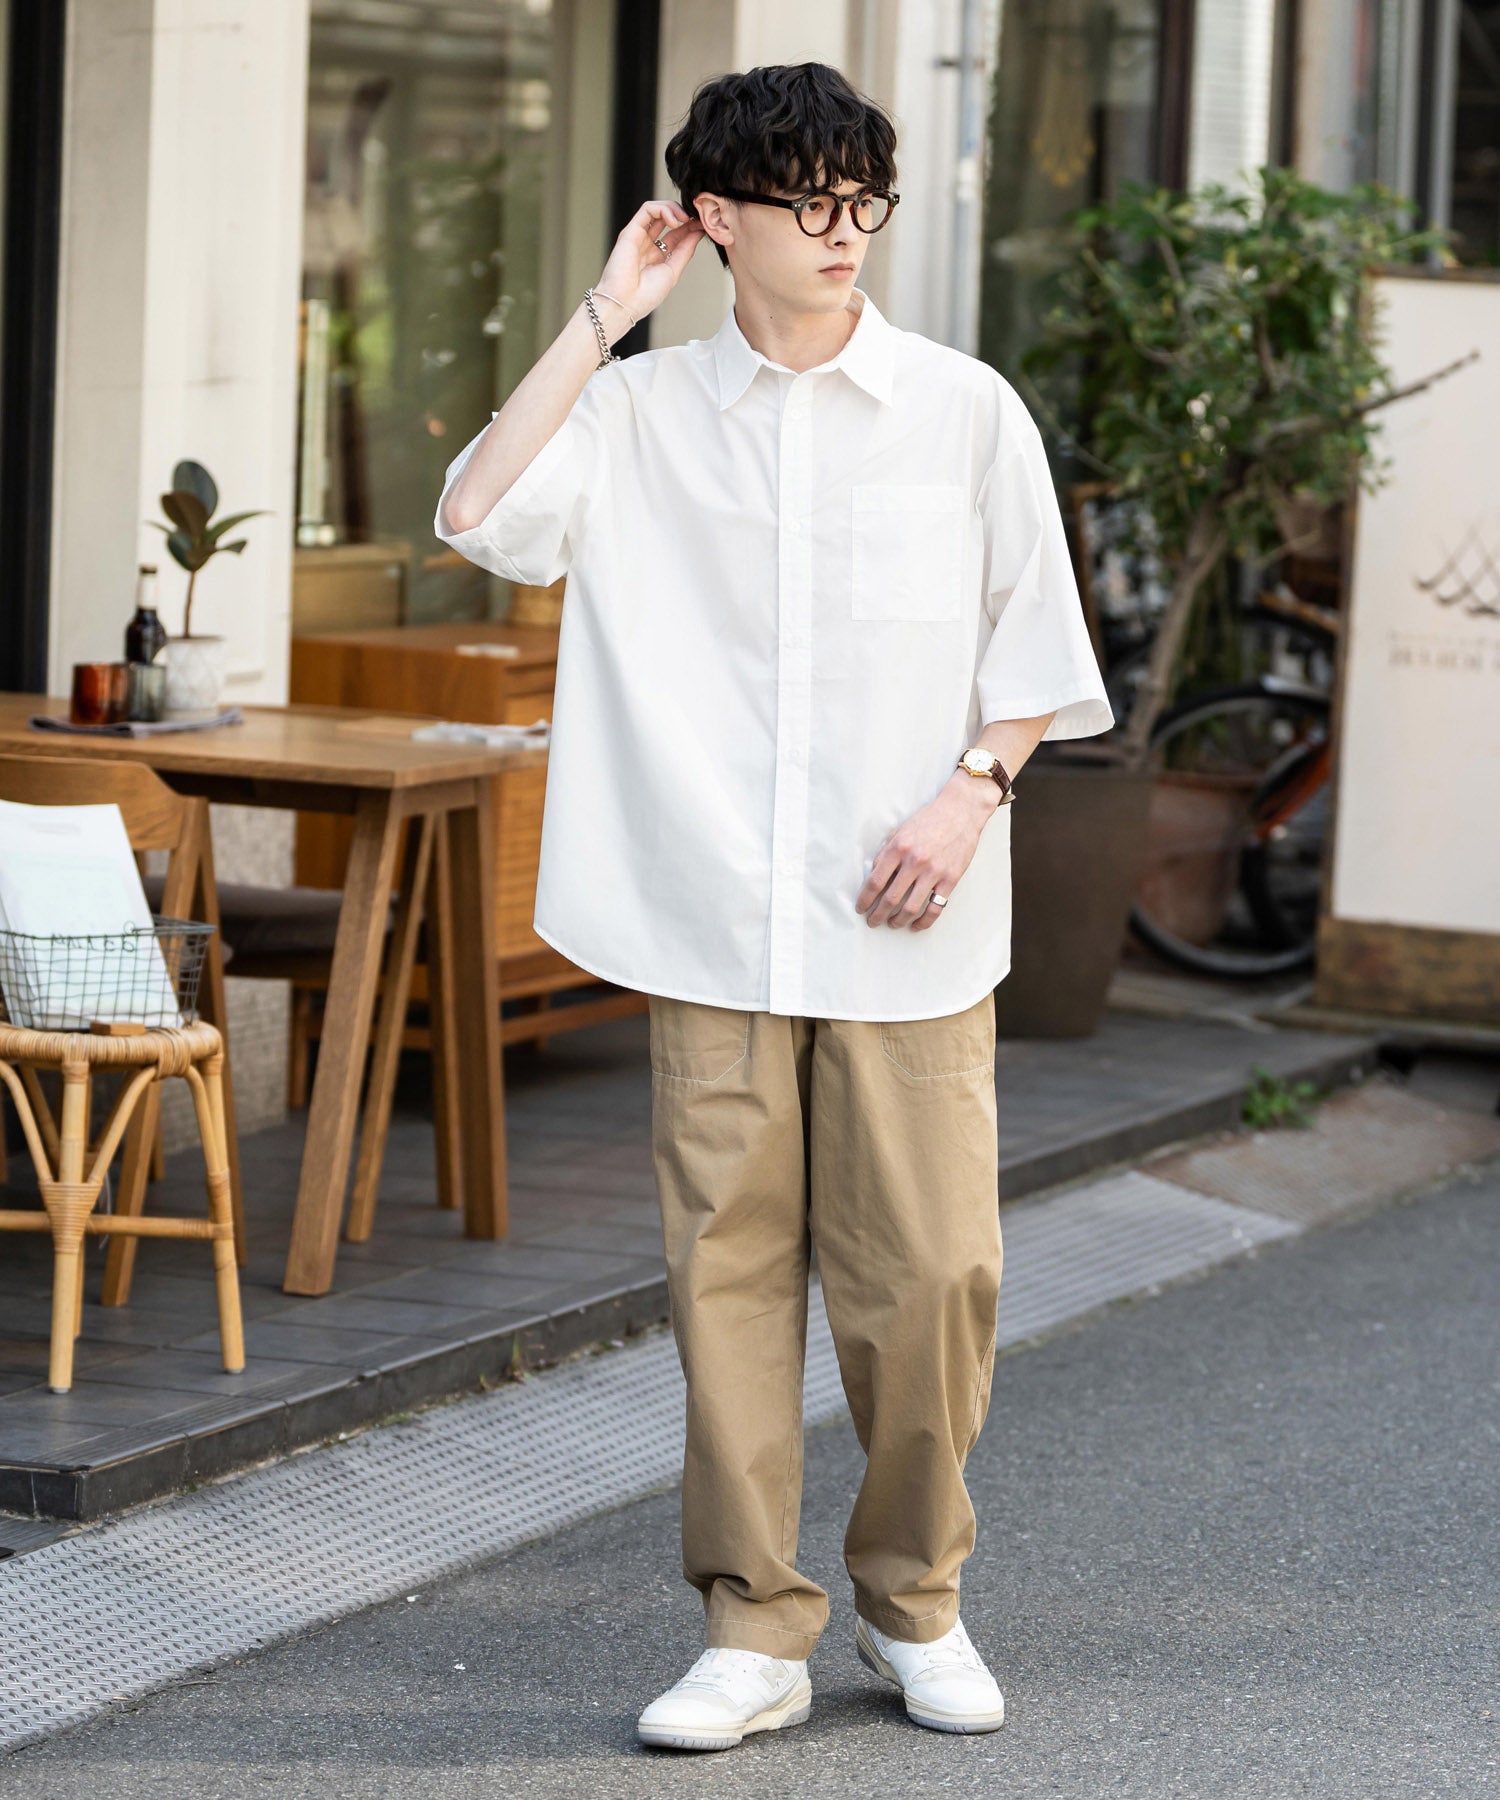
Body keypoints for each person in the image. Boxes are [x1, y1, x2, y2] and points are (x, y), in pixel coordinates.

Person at [435, 60, 1114, 1754]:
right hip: (715, 917)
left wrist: (973, 791)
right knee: (727, 1280)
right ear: (717, 218)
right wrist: (607, 311)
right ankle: (752, 1628)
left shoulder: (964, 408)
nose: (843, 231)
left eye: (863, 199)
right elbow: (479, 514)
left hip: (908, 925)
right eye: (808, 201)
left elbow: (1036, 643)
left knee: (934, 1278)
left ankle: (915, 1598)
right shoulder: (642, 412)